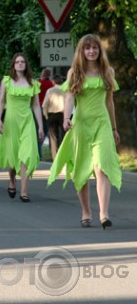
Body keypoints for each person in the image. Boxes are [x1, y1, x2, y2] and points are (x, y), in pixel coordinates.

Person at [47, 34, 121, 229]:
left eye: (94, 48)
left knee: (101, 166)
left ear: (99, 50)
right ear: (82, 51)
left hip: (102, 124)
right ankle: (86, 211)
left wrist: (114, 128)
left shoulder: (108, 72)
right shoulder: (75, 72)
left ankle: (104, 214)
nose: (91, 51)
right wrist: (66, 118)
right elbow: (70, 98)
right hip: (80, 124)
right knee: (81, 169)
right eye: (87, 48)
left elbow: (110, 102)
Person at [0, 53, 44, 203]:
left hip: (27, 121)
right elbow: (2, 101)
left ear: (26, 65)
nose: (20, 64)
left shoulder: (33, 83)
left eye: (23, 61)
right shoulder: (7, 81)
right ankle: (12, 180)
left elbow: (36, 105)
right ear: (13, 65)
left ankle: (24, 192)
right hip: (11, 121)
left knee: (26, 155)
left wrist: (40, 126)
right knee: (12, 159)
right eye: (17, 62)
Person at [42, 74, 67, 160]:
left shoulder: (50, 91)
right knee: (65, 136)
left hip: (52, 114)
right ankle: (64, 156)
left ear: (53, 82)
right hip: (64, 114)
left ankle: (55, 157)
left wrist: (46, 115)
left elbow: (45, 104)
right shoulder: (66, 90)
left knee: (53, 137)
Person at [37, 68, 54, 158]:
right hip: (48, 109)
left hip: (38, 108)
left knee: (38, 131)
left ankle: (38, 153)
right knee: (47, 130)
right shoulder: (51, 84)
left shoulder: (38, 83)